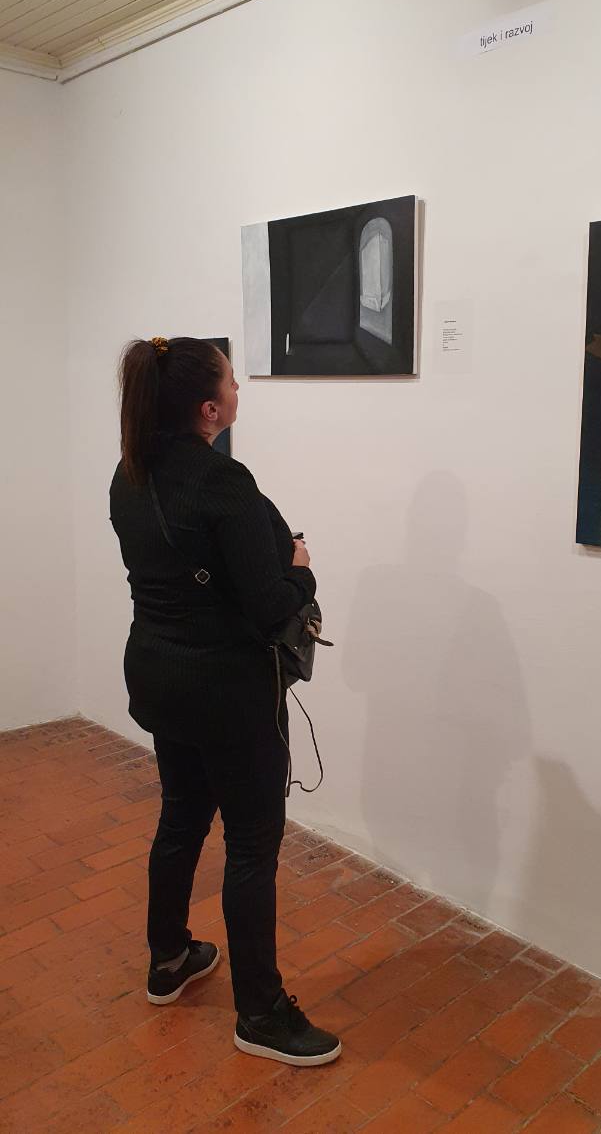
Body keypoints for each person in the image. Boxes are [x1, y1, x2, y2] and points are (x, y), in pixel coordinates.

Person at [109, 335, 340, 1067]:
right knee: (251, 844)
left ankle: (169, 957)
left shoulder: (129, 472)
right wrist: (301, 570)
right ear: (209, 408)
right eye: (233, 383)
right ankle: (261, 1013)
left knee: (181, 816)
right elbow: (271, 606)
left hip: (159, 677)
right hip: (228, 694)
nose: (240, 392)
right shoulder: (223, 482)